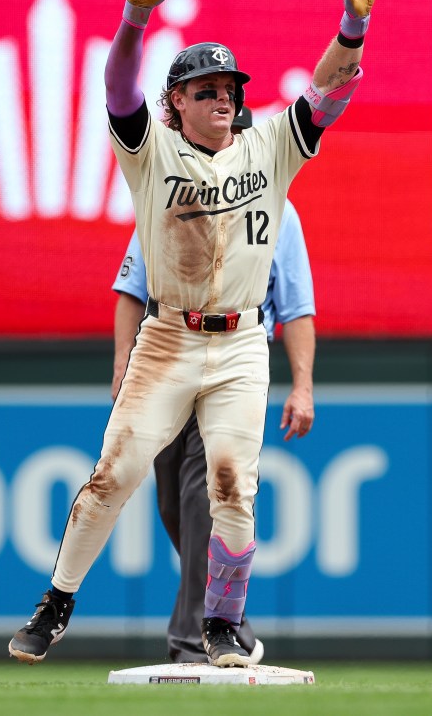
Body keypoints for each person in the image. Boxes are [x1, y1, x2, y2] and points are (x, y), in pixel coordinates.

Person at [8, 0, 375, 668]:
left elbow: (328, 92)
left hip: (241, 342)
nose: (223, 99)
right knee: (113, 475)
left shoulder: (268, 147)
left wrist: (351, 29)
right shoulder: (152, 154)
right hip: (169, 338)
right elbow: (117, 87)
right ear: (176, 102)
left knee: (235, 486)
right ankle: (57, 601)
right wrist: (135, 20)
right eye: (205, 90)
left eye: (229, 89)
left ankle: (220, 623)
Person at [112, 106, 317, 665]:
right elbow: (133, 289)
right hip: (167, 360)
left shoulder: (280, 210)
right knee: (173, 506)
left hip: (232, 363)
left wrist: (302, 385)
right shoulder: (170, 196)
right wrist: (123, 370)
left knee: (206, 500)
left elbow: (295, 307)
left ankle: (192, 641)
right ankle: (233, 621)